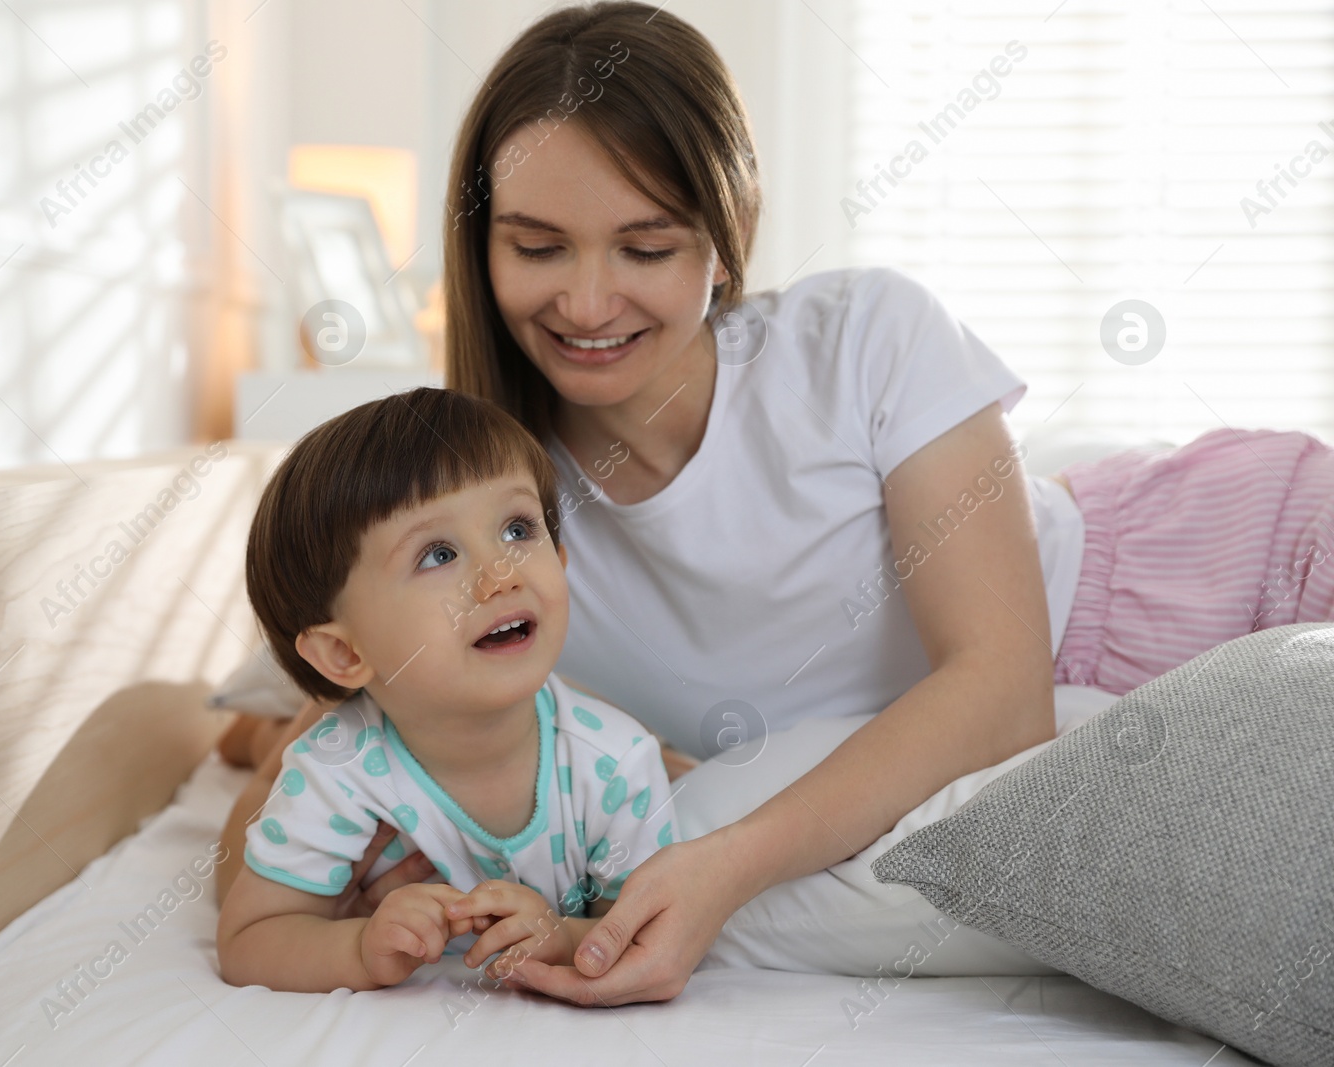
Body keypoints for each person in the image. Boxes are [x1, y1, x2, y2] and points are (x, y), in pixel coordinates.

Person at [219, 0, 1334, 1004]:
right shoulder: (492, 525)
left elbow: (1002, 695)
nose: (589, 299)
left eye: (646, 245)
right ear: (479, 246)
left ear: (723, 237)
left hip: (1218, 567)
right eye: (537, 246)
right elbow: (300, 788)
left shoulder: (861, 338)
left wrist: (726, 866)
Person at [215, 388, 675, 992]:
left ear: (560, 558)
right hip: (326, 731)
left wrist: (562, 938)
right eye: (438, 553)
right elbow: (251, 937)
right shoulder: (336, 770)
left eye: (517, 529)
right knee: (269, 753)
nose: (500, 575)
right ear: (345, 653)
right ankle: (250, 732)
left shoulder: (616, 764)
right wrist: (355, 947)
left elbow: (647, 930)